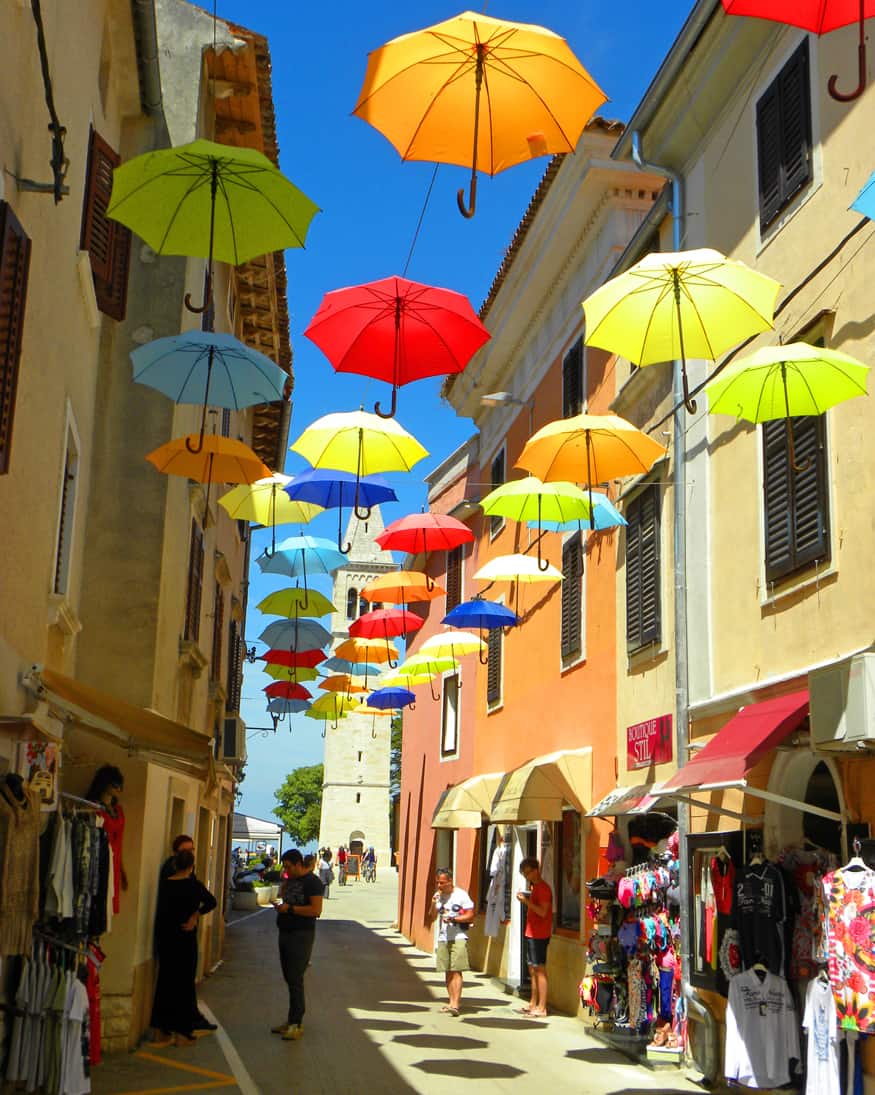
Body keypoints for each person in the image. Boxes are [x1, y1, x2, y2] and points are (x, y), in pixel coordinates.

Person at [151, 850, 217, 1047]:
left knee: (164, 983)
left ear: (174, 865)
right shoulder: (193, 886)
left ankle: (161, 1030)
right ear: (191, 866)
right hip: (185, 939)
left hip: (166, 939)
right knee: (184, 986)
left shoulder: (165, 885)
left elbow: (161, 914)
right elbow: (211, 902)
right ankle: (183, 1033)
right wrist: (195, 916)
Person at [271, 849, 323, 1041]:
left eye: (288, 867)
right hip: (285, 931)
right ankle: (291, 1019)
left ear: (298, 864)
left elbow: (316, 910)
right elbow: (287, 900)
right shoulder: (291, 880)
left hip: (301, 935)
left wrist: (290, 909)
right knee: (289, 977)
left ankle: (296, 1023)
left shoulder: (313, 882)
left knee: (295, 977)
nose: (286, 870)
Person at [429, 868, 474, 1016]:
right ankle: (451, 1001)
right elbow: (432, 917)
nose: (439, 886)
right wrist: (433, 903)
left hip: (459, 936)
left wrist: (454, 919)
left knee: (456, 970)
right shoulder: (438, 896)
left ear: (450, 881)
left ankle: (456, 1004)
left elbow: (470, 915)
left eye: (442, 883)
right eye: (437, 883)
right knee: (447, 971)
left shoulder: (461, 895)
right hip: (443, 937)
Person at [85, 765, 127, 912]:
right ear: (105, 783)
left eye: (121, 786)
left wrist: (122, 870)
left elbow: (120, 841)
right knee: (97, 903)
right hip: (99, 859)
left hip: (114, 861)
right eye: (116, 785)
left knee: (109, 904)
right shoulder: (92, 807)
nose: (119, 789)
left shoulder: (118, 811)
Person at [516, 856, 553, 1018]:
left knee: (540, 969)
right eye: (524, 874)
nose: (526, 876)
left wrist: (526, 901)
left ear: (536, 870)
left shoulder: (543, 888)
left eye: (528, 873)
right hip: (532, 932)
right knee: (532, 969)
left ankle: (542, 1007)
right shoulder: (535, 887)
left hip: (540, 934)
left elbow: (543, 912)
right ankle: (533, 1003)